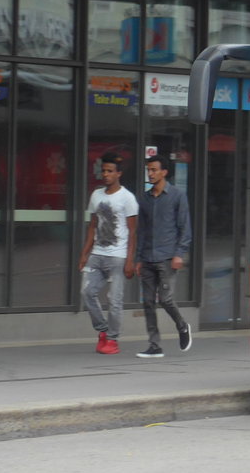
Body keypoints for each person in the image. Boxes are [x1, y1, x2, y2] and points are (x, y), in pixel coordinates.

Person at [134, 155, 193, 358]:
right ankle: (154, 344)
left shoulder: (177, 196)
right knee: (148, 301)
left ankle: (182, 325)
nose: (150, 174)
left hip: (168, 256)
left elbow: (185, 228)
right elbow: (141, 231)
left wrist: (179, 253)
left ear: (164, 172)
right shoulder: (144, 199)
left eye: (154, 170)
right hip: (148, 256)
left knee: (166, 299)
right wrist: (138, 259)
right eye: (148, 170)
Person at [80, 152, 139, 355]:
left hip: (118, 256)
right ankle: (103, 331)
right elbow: (92, 227)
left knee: (115, 300)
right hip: (97, 253)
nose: (105, 175)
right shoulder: (96, 195)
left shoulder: (127, 198)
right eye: (103, 171)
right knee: (87, 292)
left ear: (118, 174)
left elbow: (133, 232)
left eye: (110, 171)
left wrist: (130, 260)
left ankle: (113, 340)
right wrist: (84, 253)